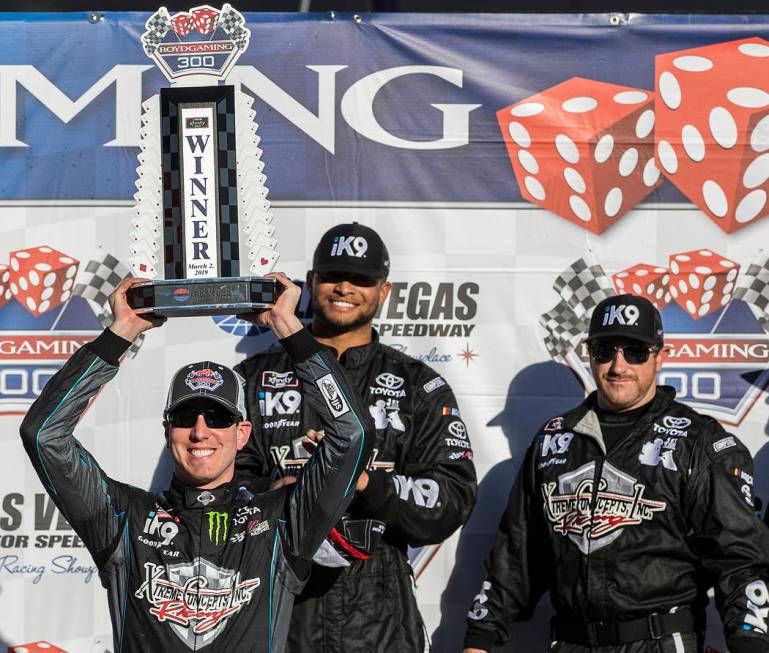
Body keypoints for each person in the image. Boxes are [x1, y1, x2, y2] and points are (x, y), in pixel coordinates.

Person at [20, 273, 374, 653]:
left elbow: (352, 433)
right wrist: (121, 330)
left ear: (242, 433)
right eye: (186, 417)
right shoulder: (124, 518)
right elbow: (44, 435)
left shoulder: (283, 520)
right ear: (167, 430)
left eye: (218, 418)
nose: (200, 431)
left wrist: (287, 326)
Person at [463, 293, 769, 653]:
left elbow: (742, 558)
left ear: (660, 357)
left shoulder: (699, 441)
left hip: (658, 641)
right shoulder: (553, 440)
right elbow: (518, 552)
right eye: (605, 351)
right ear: (589, 356)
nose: (617, 365)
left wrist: (749, 640)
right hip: (571, 642)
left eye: (635, 352)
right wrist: (480, 637)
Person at [236, 222, 477, 651]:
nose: (345, 287)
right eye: (332, 276)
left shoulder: (419, 386)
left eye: (361, 279)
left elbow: (452, 497)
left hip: (380, 611)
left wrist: (363, 481)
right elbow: (211, 487)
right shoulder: (253, 378)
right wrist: (279, 493)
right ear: (310, 284)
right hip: (278, 597)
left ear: (383, 291)